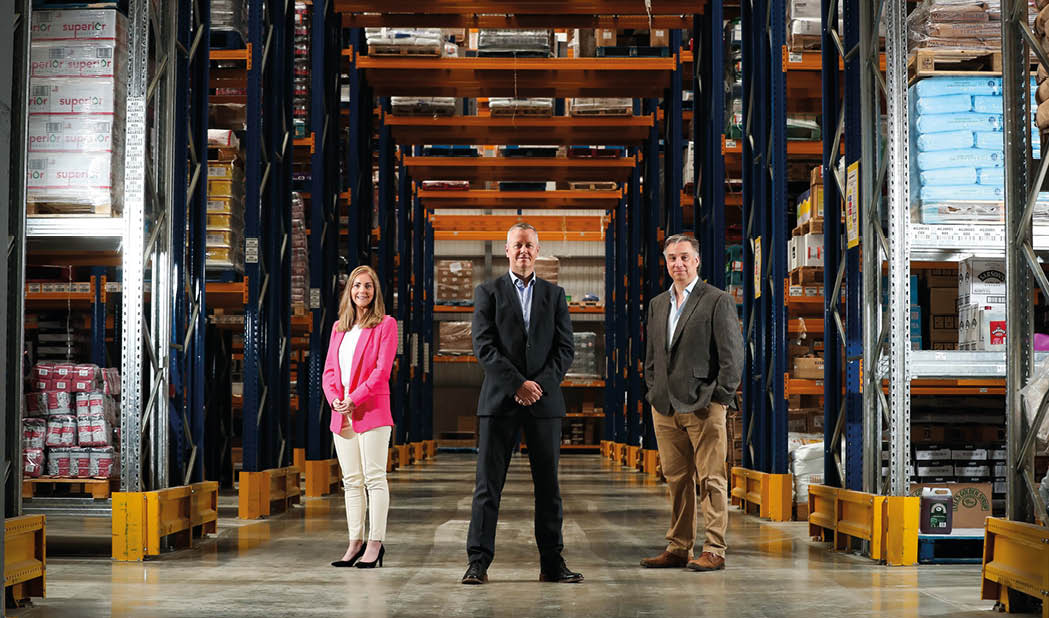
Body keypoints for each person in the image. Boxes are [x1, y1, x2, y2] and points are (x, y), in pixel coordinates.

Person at [461, 222, 582, 585]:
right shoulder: (488, 292)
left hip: (543, 403)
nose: (524, 251)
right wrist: (517, 384)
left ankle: (552, 563)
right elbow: (483, 346)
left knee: (548, 487)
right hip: (500, 401)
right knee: (488, 486)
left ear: (538, 250)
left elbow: (565, 349)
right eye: (517, 245)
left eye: (529, 245)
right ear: (507, 250)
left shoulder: (555, 295)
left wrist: (537, 387)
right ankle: (478, 562)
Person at [641, 233, 743, 572]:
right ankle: (678, 546)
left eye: (684, 257)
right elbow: (653, 355)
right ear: (666, 262)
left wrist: (719, 398)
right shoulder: (658, 304)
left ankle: (714, 548)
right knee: (677, 479)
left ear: (697, 260)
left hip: (703, 405)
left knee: (711, 479)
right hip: (665, 406)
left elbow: (732, 356)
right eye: (672, 258)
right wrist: (654, 388)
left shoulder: (716, 300)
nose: (678, 263)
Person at [322, 265, 398, 569]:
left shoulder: (386, 325)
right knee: (351, 481)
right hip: (342, 413)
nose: (361, 291)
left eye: (367, 286)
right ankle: (355, 543)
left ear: (375, 291)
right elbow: (329, 371)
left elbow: (382, 371)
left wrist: (354, 398)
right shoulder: (339, 327)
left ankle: (375, 543)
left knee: (374, 478)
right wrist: (335, 400)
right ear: (349, 291)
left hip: (371, 411)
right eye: (356, 285)